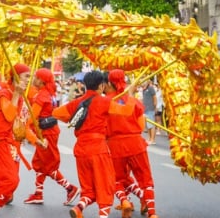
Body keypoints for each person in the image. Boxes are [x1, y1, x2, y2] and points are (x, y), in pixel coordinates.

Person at [53, 70, 135, 218]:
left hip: (81, 149)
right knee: (105, 186)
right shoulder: (104, 101)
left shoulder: (77, 102)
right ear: (102, 85)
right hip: (97, 148)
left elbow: (56, 113)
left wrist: (75, 120)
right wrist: (130, 95)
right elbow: (127, 111)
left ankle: (79, 208)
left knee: (88, 188)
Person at [0, 63, 45, 218]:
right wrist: (16, 95)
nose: (30, 79)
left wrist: (36, 140)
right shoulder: (4, 92)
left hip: (14, 147)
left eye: (30, 76)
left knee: (8, 185)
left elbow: (22, 125)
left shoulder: (23, 98)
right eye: (26, 76)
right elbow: (8, 115)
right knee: (11, 181)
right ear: (15, 76)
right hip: (1, 143)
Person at [22, 68, 79, 206]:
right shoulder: (49, 93)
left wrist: (24, 125)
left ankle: (70, 188)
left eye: (35, 77)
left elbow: (32, 119)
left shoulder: (41, 96)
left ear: (41, 81)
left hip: (46, 134)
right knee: (39, 163)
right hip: (49, 131)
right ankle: (38, 193)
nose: (33, 79)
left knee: (48, 165)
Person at [106, 69, 158, 218]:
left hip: (115, 145)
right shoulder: (133, 100)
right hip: (135, 143)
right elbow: (141, 126)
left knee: (116, 178)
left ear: (109, 83)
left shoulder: (107, 101)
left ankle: (124, 201)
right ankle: (152, 213)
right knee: (145, 179)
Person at [140, 80, 157, 144]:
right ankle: (150, 138)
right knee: (148, 125)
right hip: (145, 109)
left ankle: (153, 139)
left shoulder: (151, 88)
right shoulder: (144, 89)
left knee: (151, 125)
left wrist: (155, 107)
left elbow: (154, 98)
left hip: (150, 108)